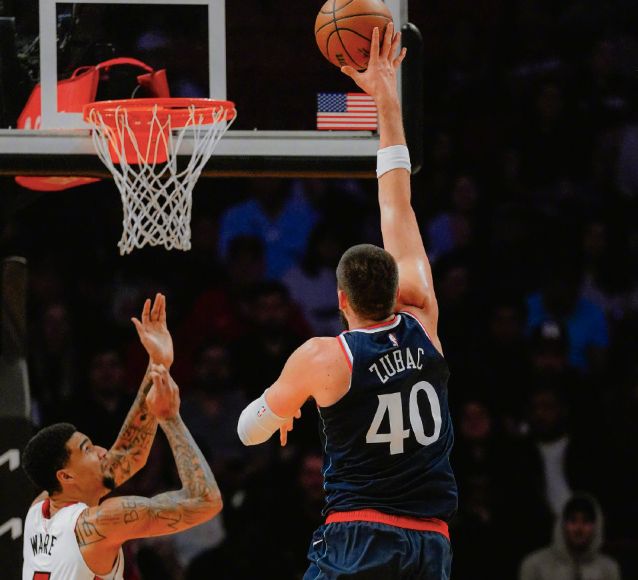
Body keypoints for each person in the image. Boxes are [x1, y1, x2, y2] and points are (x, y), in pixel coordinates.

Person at [237, 24, 456, 579]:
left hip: (360, 538)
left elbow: (247, 431)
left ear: (340, 300)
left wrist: (280, 407)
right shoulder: (422, 314)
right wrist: (387, 95)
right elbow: (397, 204)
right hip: (431, 541)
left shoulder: (324, 358)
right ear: (396, 288)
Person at [21, 294, 222, 579]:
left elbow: (127, 454)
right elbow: (206, 501)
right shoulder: (101, 522)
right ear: (65, 476)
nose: (103, 450)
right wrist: (170, 418)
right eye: (88, 449)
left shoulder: (39, 510)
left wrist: (158, 365)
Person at [519, 494, 622, 580]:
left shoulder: (608, 569)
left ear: (596, 526)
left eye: (586, 521)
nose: (579, 528)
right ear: (562, 525)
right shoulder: (535, 565)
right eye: (572, 520)